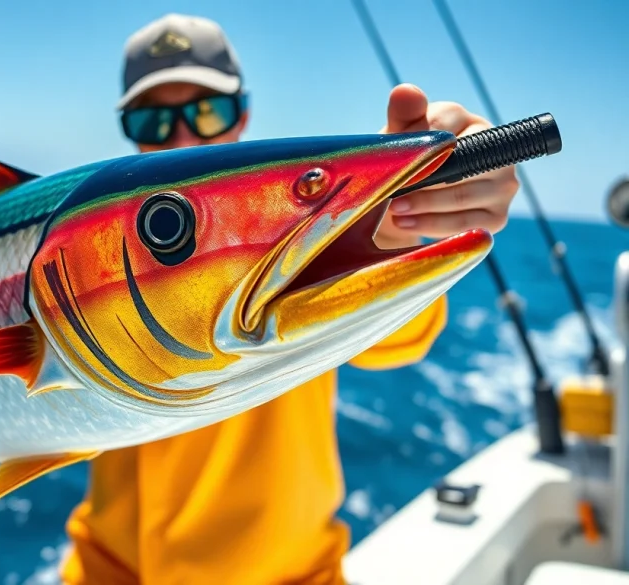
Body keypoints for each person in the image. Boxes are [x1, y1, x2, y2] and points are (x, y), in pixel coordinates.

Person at [58, 13, 518, 585]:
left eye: (207, 112)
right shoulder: (87, 251)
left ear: (242, 114)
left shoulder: (294, 242)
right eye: (154, 120)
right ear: (129, 128)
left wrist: (392, 231)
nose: (182, 139)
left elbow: (398, 337)